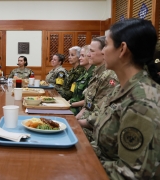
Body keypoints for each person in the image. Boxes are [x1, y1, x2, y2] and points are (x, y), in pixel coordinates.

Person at [91, 18, 160, 179]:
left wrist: (81, 162)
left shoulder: (142, 102)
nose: (102, 51)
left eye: (106, 45)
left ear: (122, 49)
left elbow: (130, 174)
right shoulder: (122, 89)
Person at [76, 36, 118, 141]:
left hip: (93, 129)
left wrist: (76, 122)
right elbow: (87, 105)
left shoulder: (109, 77)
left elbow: (100, 113)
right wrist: (76, 118)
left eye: (92, 51)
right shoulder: (97, 73)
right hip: (86, 120)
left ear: (104, 53)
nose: (88, 54)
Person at [69, 45, 95, 115]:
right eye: (80, 55)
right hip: (74, 104)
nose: (79, 58)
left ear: (89, 56)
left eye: (82, 56)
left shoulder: (93, 74)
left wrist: (70, 104)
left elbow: (89, 100)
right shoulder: (84, 72)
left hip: (81, 108)